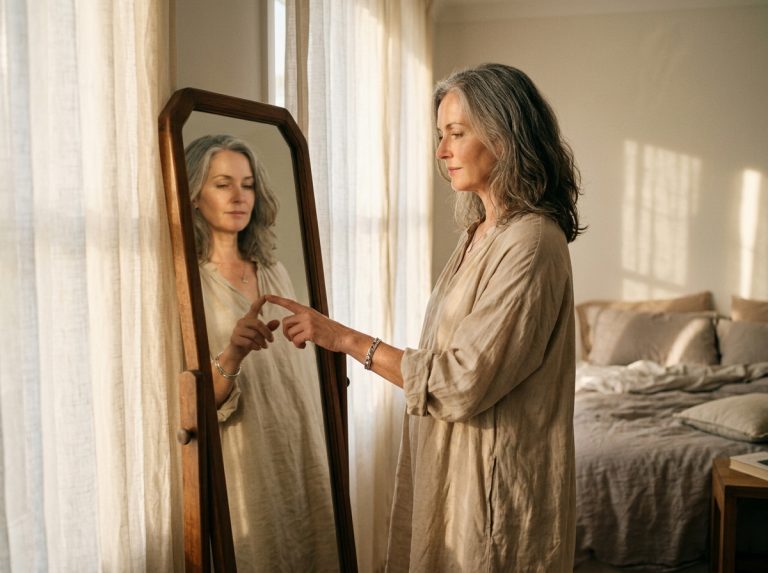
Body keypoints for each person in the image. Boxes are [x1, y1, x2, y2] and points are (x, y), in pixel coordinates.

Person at [267, 63, 584, 572]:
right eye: (441, 135)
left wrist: (346, 339)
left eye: (456, 133)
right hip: (454, 478)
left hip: (495, 493)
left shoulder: (532, 243)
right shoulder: (477, 235)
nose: (442, 151)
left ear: (504, 137)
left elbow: (461, 381)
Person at [184, 134, 338, 572]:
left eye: (247, 184)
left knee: (313, 546)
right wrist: (233, 351)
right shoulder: (191, 282)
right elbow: (195, 408)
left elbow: (296, 370)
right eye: (222, 184)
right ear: (195, 195)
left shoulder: (273, 269)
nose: (238, 196)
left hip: (296, 441)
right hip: (245, 456)